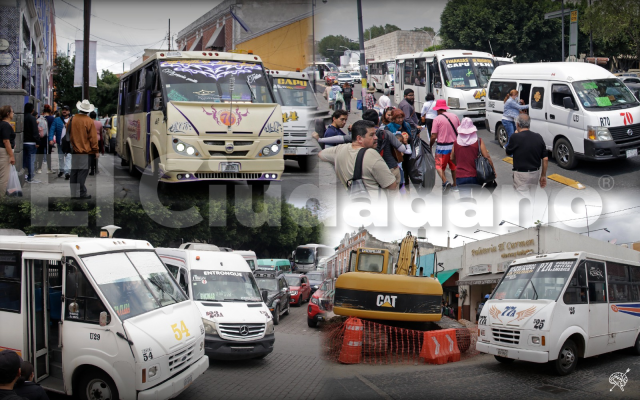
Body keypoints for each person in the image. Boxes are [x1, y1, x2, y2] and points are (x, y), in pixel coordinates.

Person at [313, 110, 412, 187]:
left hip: (371, 171)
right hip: (391, 168)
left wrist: (320, 139)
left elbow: (340, 139)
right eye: (372, 136)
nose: (375, 138)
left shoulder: (360, 135)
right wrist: (406, 143)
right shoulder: (386, 133)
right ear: (378, 120)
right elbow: (403, 150)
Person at [318, 120, 397, 193]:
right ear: (359, 138)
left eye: (375, 134)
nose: (376, 137)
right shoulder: (372, 154)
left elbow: (321, 154)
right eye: (371, 135)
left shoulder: (339, 149)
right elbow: (391, 185)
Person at [451, 118, 496, 195]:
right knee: (477, 200)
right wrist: (493, 170)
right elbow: (487, 157)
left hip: (461, 176)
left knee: (465, 202)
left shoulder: (456, 143)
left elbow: (452, 158)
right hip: (476, 176)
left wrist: (458, 164)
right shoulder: (478, 141)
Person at [505, 114, 548, 194]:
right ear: (529, 124)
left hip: (521, 174)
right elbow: (545, 158)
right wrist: (543, 175)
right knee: (532, 197)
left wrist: (515, 134)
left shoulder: (515, 137)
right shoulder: (538, 137)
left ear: (517, 124)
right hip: (535, 173)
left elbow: (508, 152)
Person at [67, 99, 99, 199]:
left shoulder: (71, 119)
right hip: (85, 151)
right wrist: (96, 150)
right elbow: (93, 138)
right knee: (82, 172)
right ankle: (81, 193)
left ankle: (73, 193)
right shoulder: (89, 121)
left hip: (74, 151)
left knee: (74, 172)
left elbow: (68, 133)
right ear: (88, 111)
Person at [430, 99, 460, 193]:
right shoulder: (454, 116)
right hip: (454, 147)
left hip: (441, 148)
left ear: (437, 109)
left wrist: (430, 145)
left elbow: (433, 135)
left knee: (438, 166)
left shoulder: (437, 119)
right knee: (454, 166)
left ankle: (445, 181)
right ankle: (455, 185)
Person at [48, 105, 71, 179]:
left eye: (66, 110)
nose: (64, 111)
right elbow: (52, 129)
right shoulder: (57, 120)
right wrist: (50, 139)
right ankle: (61, 170)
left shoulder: (72, 120)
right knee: (61, 157)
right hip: (60, 142)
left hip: (69, 142)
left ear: (69, 111)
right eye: (63, 110)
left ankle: (67, 172)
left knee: (68, 157)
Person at [0, 106, 16, 197]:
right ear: (7, 113)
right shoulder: (6, 125)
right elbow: (6, 141)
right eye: (12, 111)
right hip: (4, 152)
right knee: (3, 177)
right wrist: (11, 156)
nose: (13, 113)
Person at [22, 103, 39, 184]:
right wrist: (38, 141)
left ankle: (23, 176)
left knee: (24, 160)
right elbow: (35, 131)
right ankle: (30, 177)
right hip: (31, 142)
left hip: (23, 142)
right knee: (31, 160)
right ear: (32, 110)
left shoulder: (22, 117)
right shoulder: (32, 118)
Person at [89, 111, 103, 176]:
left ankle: (92, 170)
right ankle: (96, 169)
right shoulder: (99, 123)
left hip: (90, 140)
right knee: (96, 155)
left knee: (91, 155)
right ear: (95, 116)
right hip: (98, 140)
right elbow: (101, 132)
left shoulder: (89, 122)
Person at [42, 105, 55, 174]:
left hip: (41, 137)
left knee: (40, 152)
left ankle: (39, 168)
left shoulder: (40, 117)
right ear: (50, 112)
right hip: (49, 137)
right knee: (49, 153)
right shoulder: (52, 118)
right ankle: (49, 168)